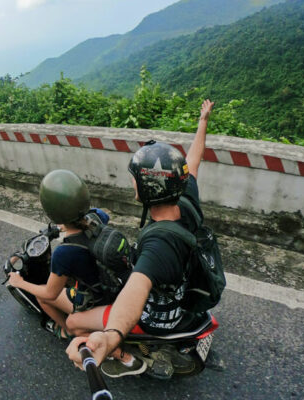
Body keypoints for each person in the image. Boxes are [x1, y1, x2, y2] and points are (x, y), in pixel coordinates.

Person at [65, 99, 215, 377]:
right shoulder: (186, 197)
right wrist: (203, 121)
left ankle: (124, 358)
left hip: (158, 316)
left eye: (135, 178)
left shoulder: (160, 245)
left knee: (74, 322)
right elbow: (193, 160)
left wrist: (110, 336)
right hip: (181, 289)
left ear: (149, 187)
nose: (132, 181)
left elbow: (135, 290)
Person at [7, 169, 111, 340]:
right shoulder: (98, 216)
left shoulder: (64, 253)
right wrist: (67, 225)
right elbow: (96, 218)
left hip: (95, 299)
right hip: (109, 282)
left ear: (52, 212)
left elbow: (50, 294)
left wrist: (20, 283)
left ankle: (67, 330)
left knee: (42, 296)